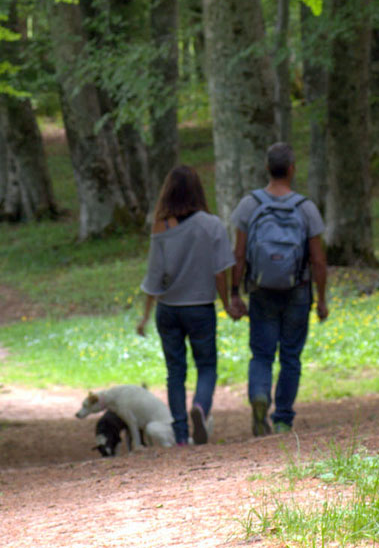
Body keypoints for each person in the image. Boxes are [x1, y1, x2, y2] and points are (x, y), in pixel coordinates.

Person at [229, 142, 328, 436]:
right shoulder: (306, 208)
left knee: (261, 354)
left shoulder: (250, 205)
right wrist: (322, 299)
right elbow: (319, 260)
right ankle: (283, 418)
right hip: (298, 289)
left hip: (261, 290)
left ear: (267, 169)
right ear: (292, 169)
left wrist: (234, 291)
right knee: (290, 356)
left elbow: (238, 254)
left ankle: (260, 396)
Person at [137, 165, 237, 446]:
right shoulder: (212, 224)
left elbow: (154, 276)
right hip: (200, 307)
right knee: (206, 366)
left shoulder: (161, 226)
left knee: (175, 373)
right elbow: (220, 271)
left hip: (168, 309)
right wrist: (227, 304)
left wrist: (145, 316)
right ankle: (201, 407)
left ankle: (181, 435)